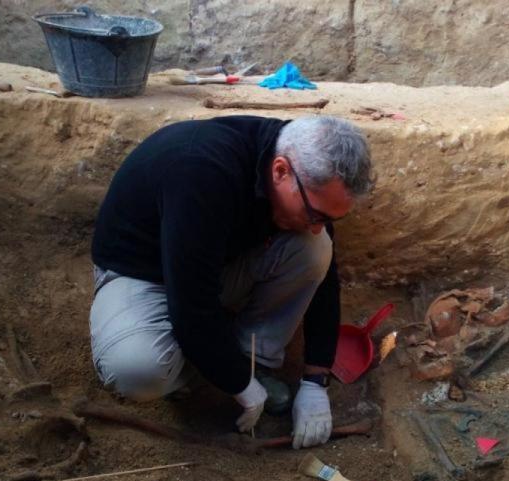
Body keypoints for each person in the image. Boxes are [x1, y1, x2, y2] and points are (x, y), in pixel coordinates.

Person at [89, 115, 373, 449]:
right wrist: (237, 381)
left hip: (212, 268)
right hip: (142, 274)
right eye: (315, 215)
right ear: (281, 171)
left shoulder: (305, 165)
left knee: (316, 249)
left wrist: (315, 381)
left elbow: (325, 280)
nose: (316, 226)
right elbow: (192, 302)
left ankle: (251, 357)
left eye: (329, 218)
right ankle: (215, 363)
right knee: (137, 371)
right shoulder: (203, 171)